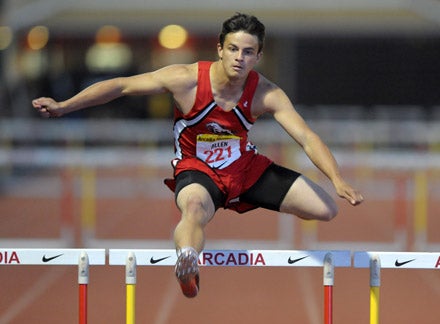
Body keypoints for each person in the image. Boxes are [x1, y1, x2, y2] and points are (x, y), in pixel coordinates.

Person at [33, 13, 363, 298]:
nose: (239, 58)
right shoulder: (186, 79)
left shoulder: (266, 93)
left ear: (258, 56)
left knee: (326, 208)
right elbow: (121, 85)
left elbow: (306, 136)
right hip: (198, 169)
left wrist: (337, 179)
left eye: (248, 52)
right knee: (193, 209)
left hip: (245, 169)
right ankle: (188, 260)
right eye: (233, 49)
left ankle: (230, 209)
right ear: (219, 49)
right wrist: (65, 106)